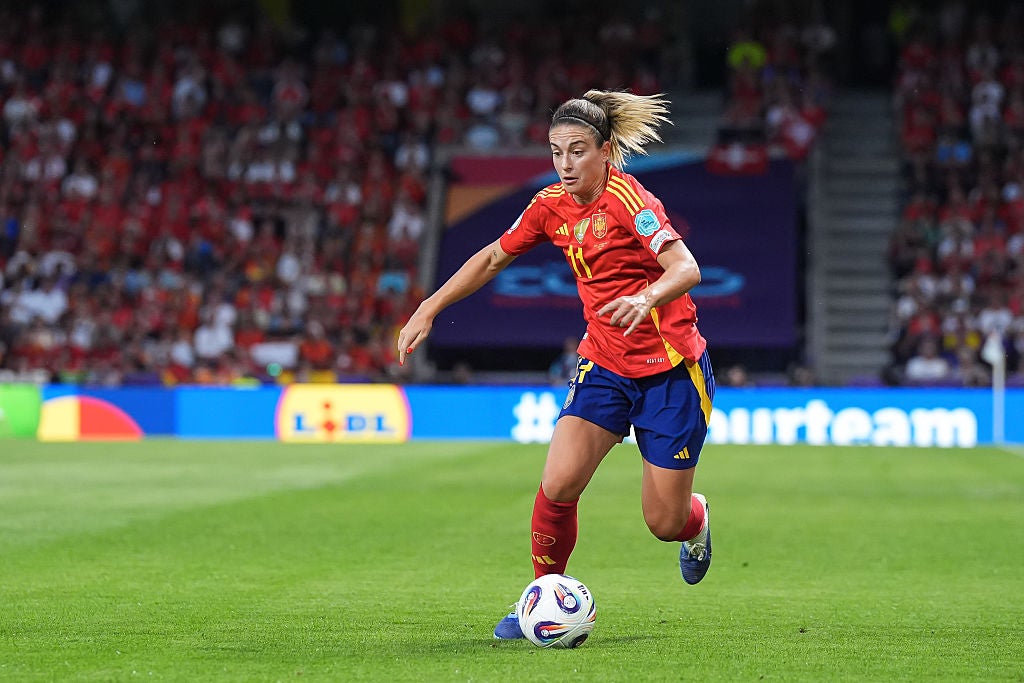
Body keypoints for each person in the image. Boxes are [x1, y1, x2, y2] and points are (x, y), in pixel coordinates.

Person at [396, 90, 716, 640]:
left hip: (670, 371)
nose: (565, 165)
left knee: (665, 523)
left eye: (577, 151)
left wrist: (645, 298)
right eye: (556, 152)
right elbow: (494, 257)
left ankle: (698, 519)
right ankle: (542, 598)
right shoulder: (549, 205)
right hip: (605, 364)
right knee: (559, 482)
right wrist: (429, 306)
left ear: (605, 151)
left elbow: (686, 268)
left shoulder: (629, 200)